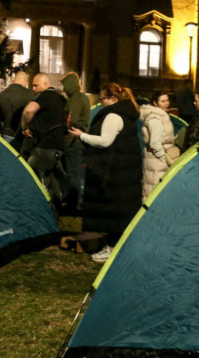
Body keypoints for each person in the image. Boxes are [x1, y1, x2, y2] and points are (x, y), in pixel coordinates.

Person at [69, 83, 142, 263]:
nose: (101, 102)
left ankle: (110, 248)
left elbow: (104, 141)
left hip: (113, 172)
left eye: (103, 99)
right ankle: (115, 245)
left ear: (113, 99)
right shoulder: (128, 114)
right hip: (125, 171)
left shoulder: (113, 115)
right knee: (122, 211)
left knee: (113, 213)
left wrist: (81, 136)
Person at [20, 73, 69, 203]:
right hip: (58, 145)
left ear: (46, 84)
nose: (33, 89)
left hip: (45, 145)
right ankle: (58, 203)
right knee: (52, 177)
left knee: (33, 173)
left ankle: (40, 205)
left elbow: (28, 111)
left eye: (36, 85)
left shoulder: (45, 95)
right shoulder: (61, 98)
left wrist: (25, 127)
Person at [139, 90, 179, 200]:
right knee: (154, 191)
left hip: (158, 159)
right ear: (155, 103)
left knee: (156, 189)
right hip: (157, 160)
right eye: (163, 101)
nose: (167, 103)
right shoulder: (155, 118)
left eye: (167, 100)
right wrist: (163, 157)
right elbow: (155, 142)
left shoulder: (161, 116)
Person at [61, 72, 90, 209]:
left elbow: (70, 120)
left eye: (65, 87)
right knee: (75, 172)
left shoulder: (75, 100)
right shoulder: (83, 97)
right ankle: (74, 200)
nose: (64, 90)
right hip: (78, 141)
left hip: (72, 141)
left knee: (72, 173)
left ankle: (72, 203)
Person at [0, 71, 35, 140]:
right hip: (23, 136)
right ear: (26, 80)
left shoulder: (1, 95)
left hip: (6, 135)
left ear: (13, 80)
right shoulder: (30, 95)